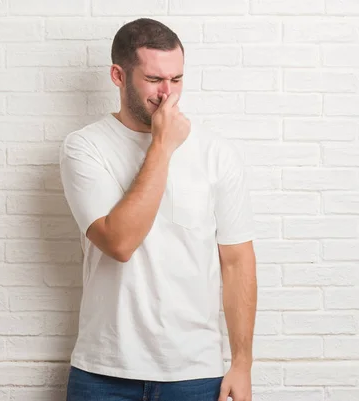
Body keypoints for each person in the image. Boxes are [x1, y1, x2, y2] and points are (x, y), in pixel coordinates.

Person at [59, 18, 258, 401]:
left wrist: (242, 363)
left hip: (195, 373)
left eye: (177, 79)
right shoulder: (84, 148)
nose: (168, 94)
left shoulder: (216, 153)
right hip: (104, 371)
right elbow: (119, 242)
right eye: (154, 80)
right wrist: (163, 147)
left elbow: (237, 263)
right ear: (118, 75)